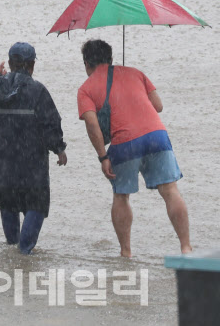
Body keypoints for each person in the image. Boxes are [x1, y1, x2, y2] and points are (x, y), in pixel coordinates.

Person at [77, 38, 192, 257]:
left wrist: (103, 157)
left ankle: (126, 252)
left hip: (125, 142)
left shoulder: (86, 89)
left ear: (86, 63)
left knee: (121, 196)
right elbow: (158, 106)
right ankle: (186, 247)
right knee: (170, 191)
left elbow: (92, 124)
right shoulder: (136, 73)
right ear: (110, 58)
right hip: (156, 136)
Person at [0, 41, 67, 255]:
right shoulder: (37, 90)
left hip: (3, 162)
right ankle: (24, 253)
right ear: (32, 65)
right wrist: (59, 149)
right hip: (32, 163)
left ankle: (11, 251)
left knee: (7, 203)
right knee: (36, 205)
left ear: (10, 63)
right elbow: (51, 123)